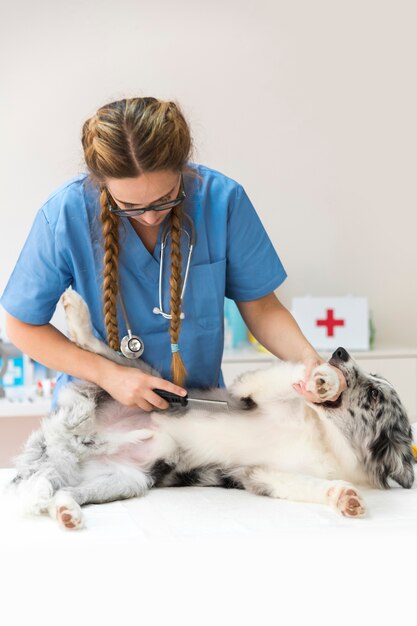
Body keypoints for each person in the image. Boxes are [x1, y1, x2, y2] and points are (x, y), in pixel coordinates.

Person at [1, 97, 346, 411]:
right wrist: (109, 375)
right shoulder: (66, 214)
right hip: (97, 413)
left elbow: (262, 307)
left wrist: (308, 360)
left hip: (196, 414)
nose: (150, 217)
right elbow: (21, 324)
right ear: (101, 184)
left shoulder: (222, 201)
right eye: (129, 206)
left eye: (166, 198)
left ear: (184, 169)